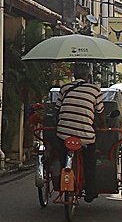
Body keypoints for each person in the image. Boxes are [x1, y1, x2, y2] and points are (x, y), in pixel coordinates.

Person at [44, 63, 102, 195]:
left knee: (62, 155)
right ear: (88, 76)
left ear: (74, 75)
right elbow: (100, 113)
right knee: (89, 159)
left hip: (64, 133)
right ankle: (90, 190)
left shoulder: (65, 88)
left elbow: (57, 109)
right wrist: (101, 125)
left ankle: (61, 180)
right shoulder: (95, 90)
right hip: (85, 135)